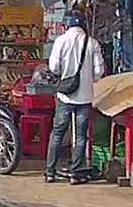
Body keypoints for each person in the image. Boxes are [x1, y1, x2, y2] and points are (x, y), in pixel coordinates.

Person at [45, 10, 105, 184]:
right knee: (80, 136)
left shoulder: (61, 41)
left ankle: (50, 172)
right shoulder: (92, 43)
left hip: (65, 96)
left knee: (57, 133)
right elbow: (98, 72)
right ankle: (75, 174)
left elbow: (54, 67)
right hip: (85, 97)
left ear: (66, 25)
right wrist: (87, 79)